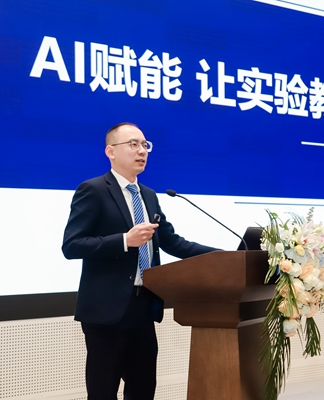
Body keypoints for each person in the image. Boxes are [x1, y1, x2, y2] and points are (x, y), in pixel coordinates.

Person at [62, 122, 218, 400]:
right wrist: (125, 240)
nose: (142, 151)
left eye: (145, 145)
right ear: (110, 151)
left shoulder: (148, 195)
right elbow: (72, 245)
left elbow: (172, 242)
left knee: (143, 390)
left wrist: (223, 255)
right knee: (103, 392)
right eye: (133, 144)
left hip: (143, 307)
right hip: (106, 312)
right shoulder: (93, 190)